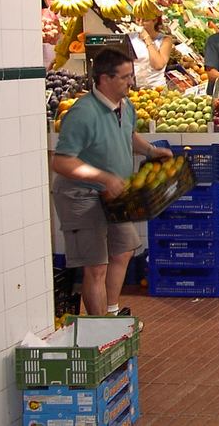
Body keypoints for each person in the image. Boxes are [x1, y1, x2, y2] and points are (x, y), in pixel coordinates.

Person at [51, 49, 173, 315]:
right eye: (125, 77)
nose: (131, 82)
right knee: (96, 265)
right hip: (80, 196)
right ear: (104, 79)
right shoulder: (82, 114)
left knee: (124, 249)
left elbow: (128, 136)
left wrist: (151, 151)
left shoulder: (125, 105)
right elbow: (61, 162)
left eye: (131, 76)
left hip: (115, 193)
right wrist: (102, 176)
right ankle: (99, 326)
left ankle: (112, 312)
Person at [130, 15, 172, 89]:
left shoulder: (165, 40)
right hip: (134, 88)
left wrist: (147, 38)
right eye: (138, 19)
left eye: (145, 20)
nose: (140, 23)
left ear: (155, 20)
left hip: (155, 90)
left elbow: (158, 65)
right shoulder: (131, 37)